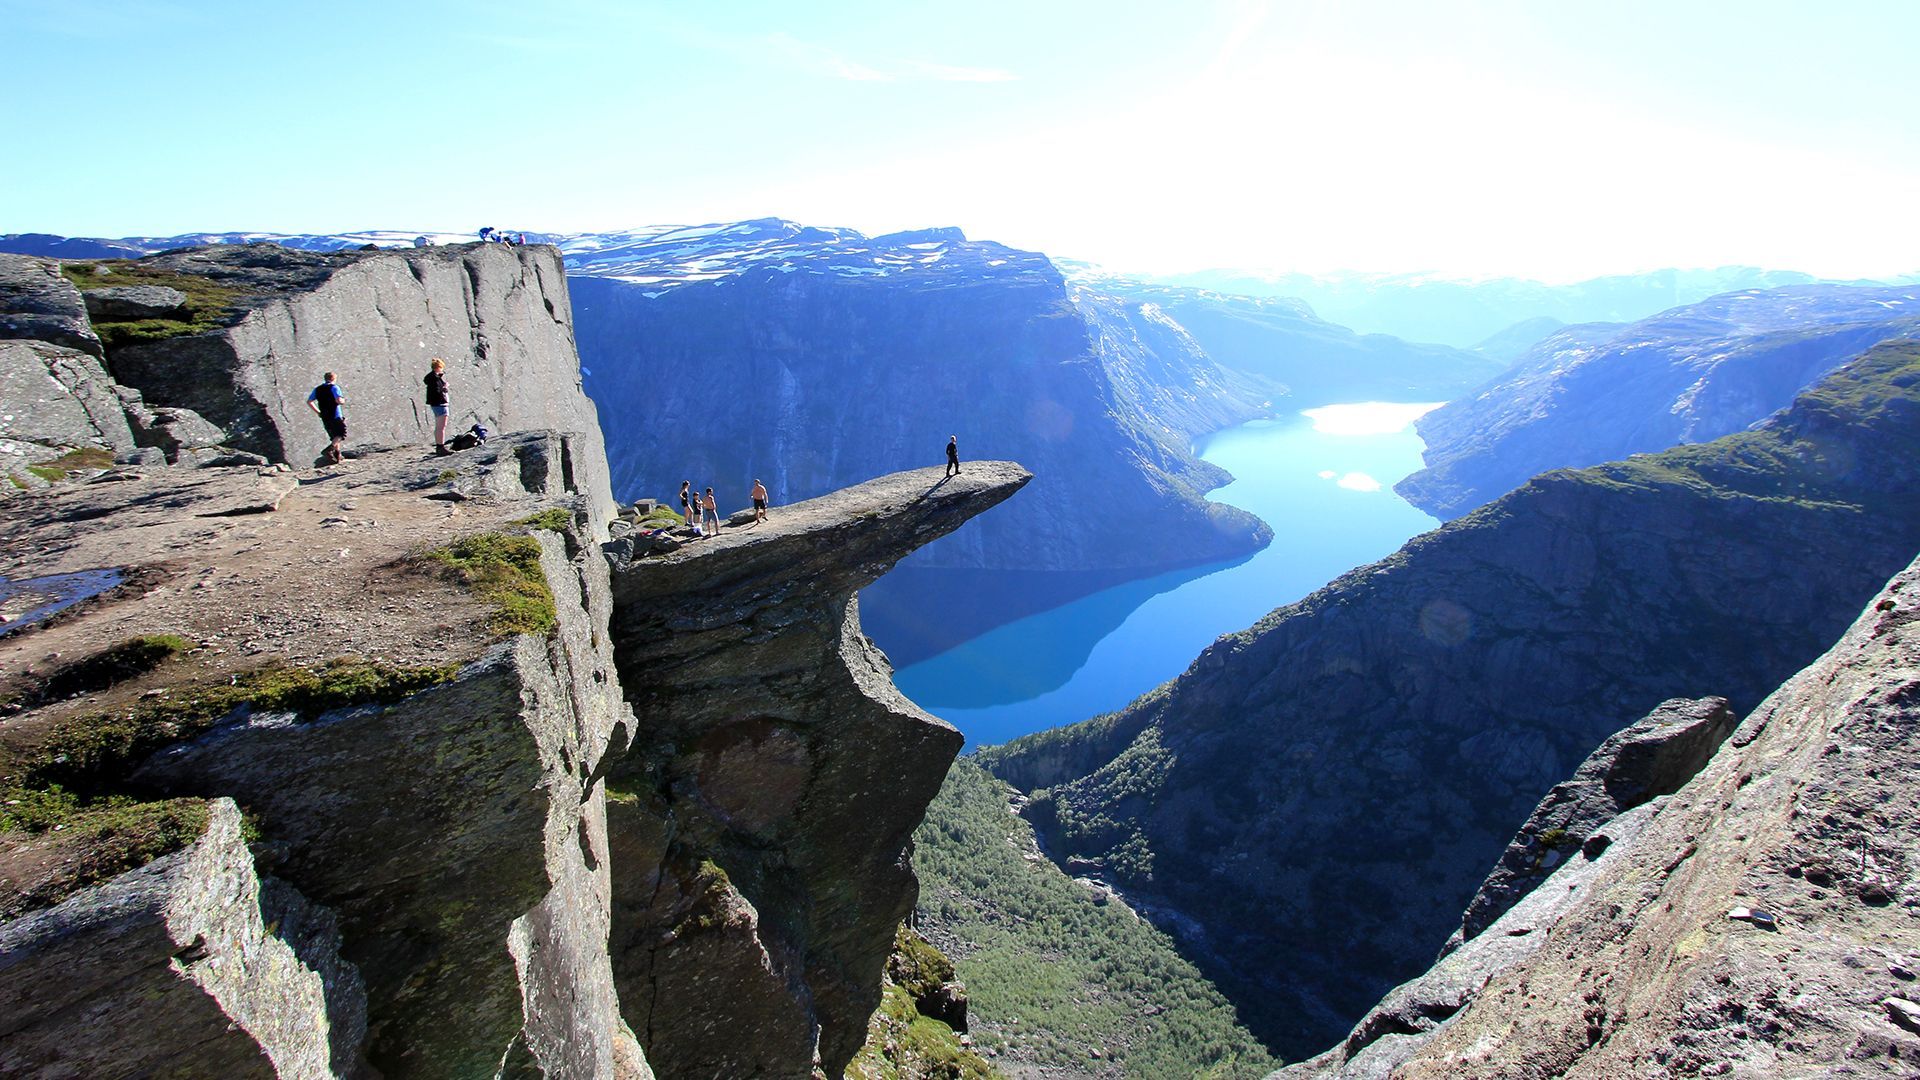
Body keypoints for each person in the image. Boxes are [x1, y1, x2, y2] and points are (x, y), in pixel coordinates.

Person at [307, 372, 347, 464]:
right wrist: (343, 401)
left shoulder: (318, 389)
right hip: (335, 414)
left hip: (325, 415)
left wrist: (318, 412)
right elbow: (339, 400)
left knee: (334, 435)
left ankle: (337, 456)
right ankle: (329, 450)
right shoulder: (334, 387)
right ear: (334, 379)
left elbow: (309, 401)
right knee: (341, 434)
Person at [425, 358, 451, 454]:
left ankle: (439, 446)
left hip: (436, 405)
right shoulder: (435, 379)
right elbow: (437, 391)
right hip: (440, 404)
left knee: (439, 427)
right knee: (441, 427)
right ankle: (440, 447)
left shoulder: (432, 378)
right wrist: (444, 387)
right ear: (438, 367)